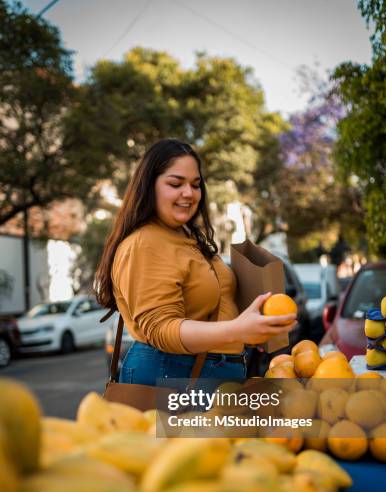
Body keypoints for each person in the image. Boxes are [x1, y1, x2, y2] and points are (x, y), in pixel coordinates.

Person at [95, 139, 297, 386]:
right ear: (149, 187)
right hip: (172, 374)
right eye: (175, 183)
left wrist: (253, 328)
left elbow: (214, 307)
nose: (189, 193)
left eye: (195, 184)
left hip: (210, 375)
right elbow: (161, 330)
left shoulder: (187, 236)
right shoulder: (145, 243)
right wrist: (237, 330)